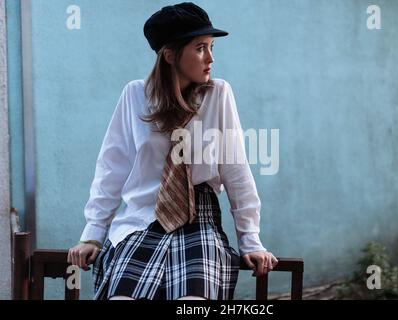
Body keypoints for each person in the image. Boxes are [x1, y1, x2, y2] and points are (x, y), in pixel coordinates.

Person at [68, 2, 277, 300]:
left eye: (211, 47)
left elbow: (235, 169)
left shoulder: (218, 94)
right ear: (170, 55)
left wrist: (251, 240)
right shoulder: (135, 96)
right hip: (142, 217)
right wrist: (93, 233)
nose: (211, 58)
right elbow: (112, 168)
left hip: (199, 219)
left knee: (191, 302)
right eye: (200, 48)